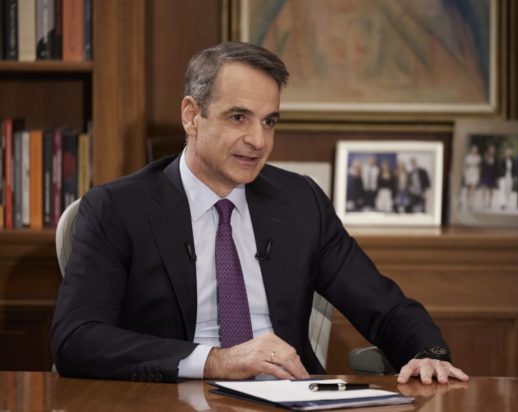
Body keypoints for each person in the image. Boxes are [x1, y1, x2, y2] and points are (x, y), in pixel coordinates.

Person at [51, 42, 468, 385]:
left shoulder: (300, 202)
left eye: (269, 122)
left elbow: (385, 307)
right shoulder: (118, 208)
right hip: (173, 397)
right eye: (239, 118)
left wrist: (426, 354)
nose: (258, 140)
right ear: (192, 116)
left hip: (290, 396)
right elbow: (76, 339)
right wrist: (215, 361)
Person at [462, 144, 481, 210]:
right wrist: (464, 173)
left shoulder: (478, 157)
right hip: (468, 172)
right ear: (471, 150)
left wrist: (478, 174)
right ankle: (467, 202)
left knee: (473, 188)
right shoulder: (467, 157)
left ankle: (472, 203)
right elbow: (465, 165)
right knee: (468, 188)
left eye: (475, 150)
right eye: (473, 149)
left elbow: (479, 167)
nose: (474, 151)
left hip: (475, 172)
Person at [479, 145, 497, 209]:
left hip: (492, 175)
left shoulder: (495, 158)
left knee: (491, 190)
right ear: (489, 150)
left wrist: (496, 177)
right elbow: (482, 165)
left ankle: (489, 202)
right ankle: (483, 202)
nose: (492, 151)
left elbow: (496, 168)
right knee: (484, 189)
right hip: (485, 174)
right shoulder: (485, 157)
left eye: (493, 150)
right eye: (491, 150)